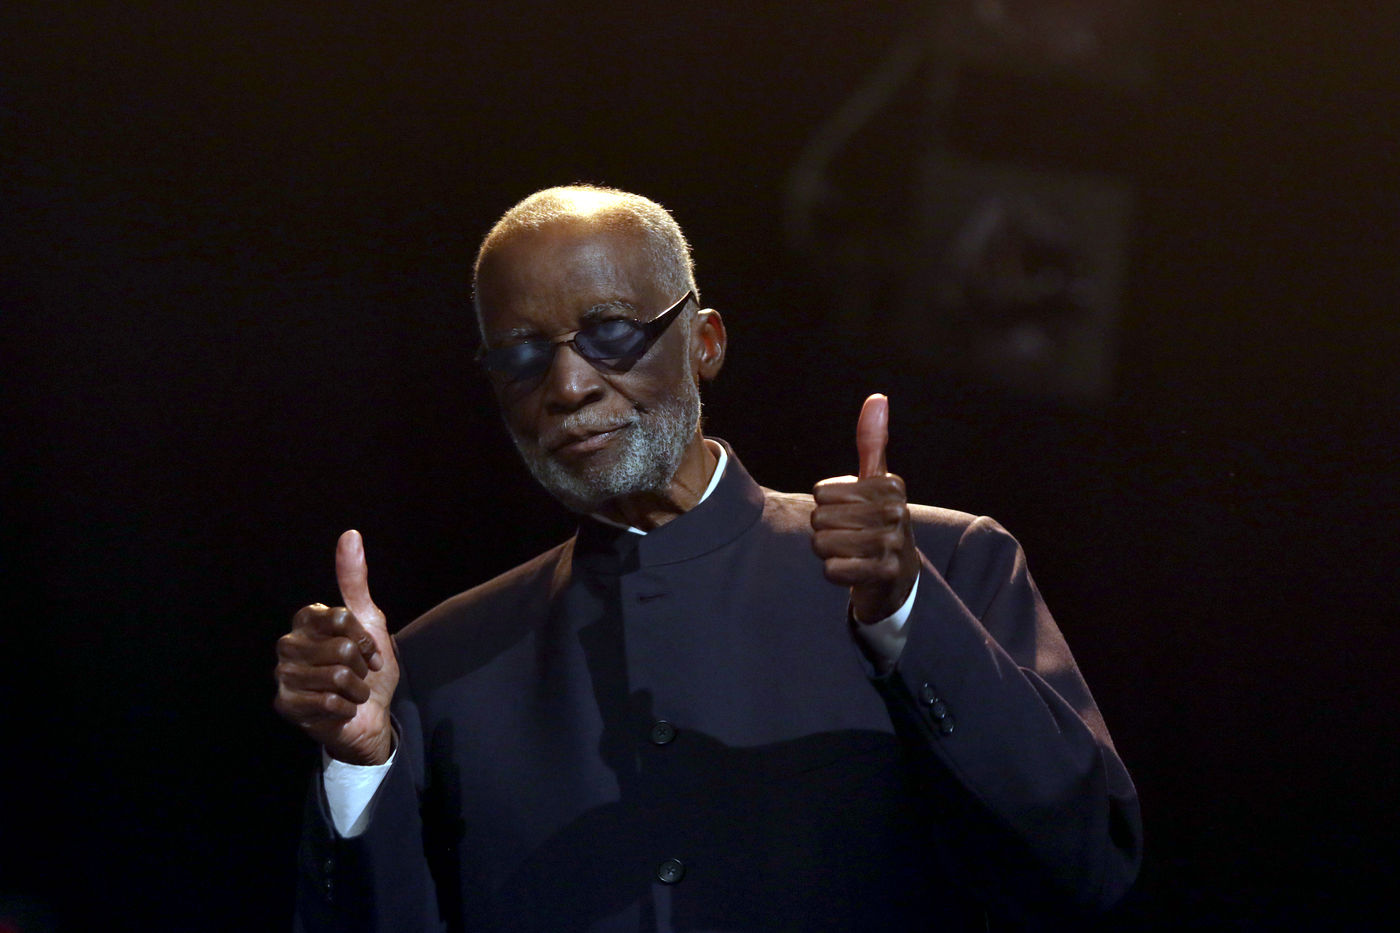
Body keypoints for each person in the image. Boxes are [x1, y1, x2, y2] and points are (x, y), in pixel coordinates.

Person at [274, 185, 1141, 931]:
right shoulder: (439, 666)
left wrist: (909, 617)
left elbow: (1087, 864)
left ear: (706, 343)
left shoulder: (946, 563)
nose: (568, 386)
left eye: (610, 331)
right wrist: (360, 763)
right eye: (523, 355)